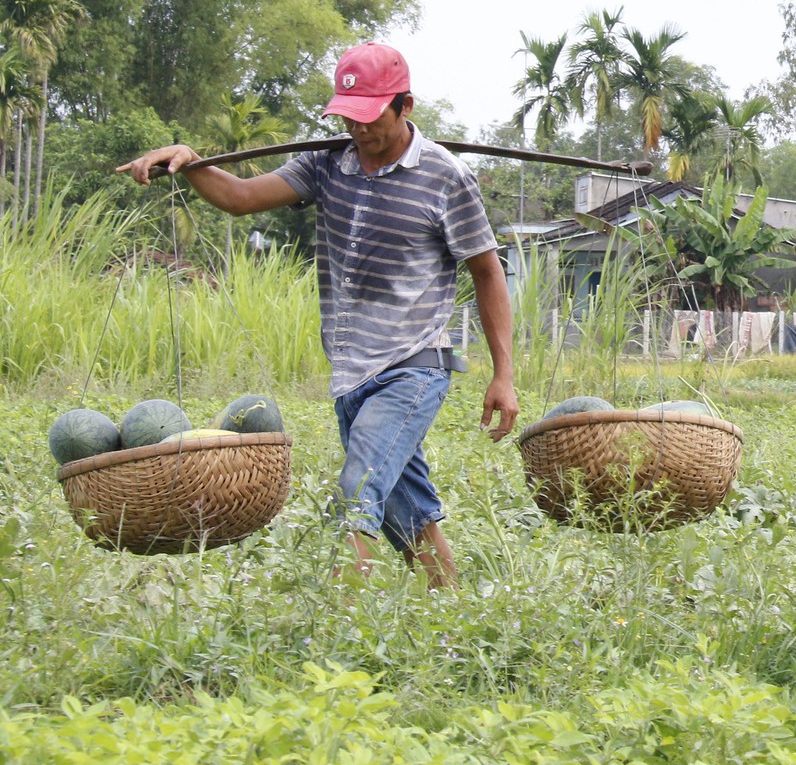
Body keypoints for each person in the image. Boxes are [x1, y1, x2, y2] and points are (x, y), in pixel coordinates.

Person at [119, 42, 517, 585]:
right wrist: (190, 161)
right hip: (350, 370)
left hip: (413, 365)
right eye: (348, 116)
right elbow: (240, 198)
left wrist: (503, 374)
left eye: (370, 116)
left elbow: (488, 273)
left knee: (359, 488)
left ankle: (336, 618)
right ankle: (451, 607)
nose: (358, 129)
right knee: (407, 510)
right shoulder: (326, 164)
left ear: (405, 106)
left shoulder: (446, 178)